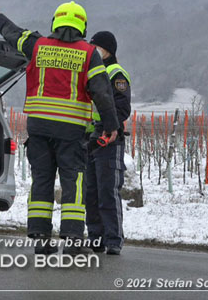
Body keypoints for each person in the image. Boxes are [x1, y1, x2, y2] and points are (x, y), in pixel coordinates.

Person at [0, 2, 119, 255]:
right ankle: (72, 240)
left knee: (43, 180)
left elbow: (14, 34)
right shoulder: (88, 53)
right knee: (73, 182)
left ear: (55, 22)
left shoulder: (37, 46)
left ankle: (41, 237)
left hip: (39, 128)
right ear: (82, 25)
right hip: (71, 130)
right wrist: (111, 125)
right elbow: (101, 91)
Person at [85, 31, 131, 255]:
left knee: (107, 192)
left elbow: (122, 108)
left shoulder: (116, 73)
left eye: (96, 47)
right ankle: (95, 238)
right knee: (91, 192)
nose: (93, 50)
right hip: (90, 139)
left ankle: (113, 239)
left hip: (108, 139)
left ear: (107, 50)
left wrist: (108, 127)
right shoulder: (92, 71)